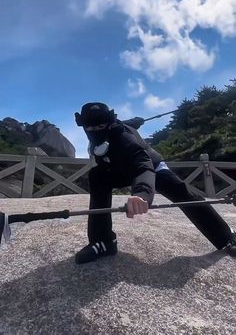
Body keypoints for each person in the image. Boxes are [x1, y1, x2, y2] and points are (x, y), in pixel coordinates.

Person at [74, 102, 236, 264]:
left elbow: (143, 165)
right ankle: (103, 241)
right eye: (89, 129)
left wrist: (142, 195)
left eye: (100, 126)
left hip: (152, 167)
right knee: (97, 176)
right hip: (118, 169)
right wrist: (137, 121)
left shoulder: (124, 139)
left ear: (109, 124)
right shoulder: (114, 126)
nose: (94, 132)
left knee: (183, 193)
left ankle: (227, 236)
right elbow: (126, 123)